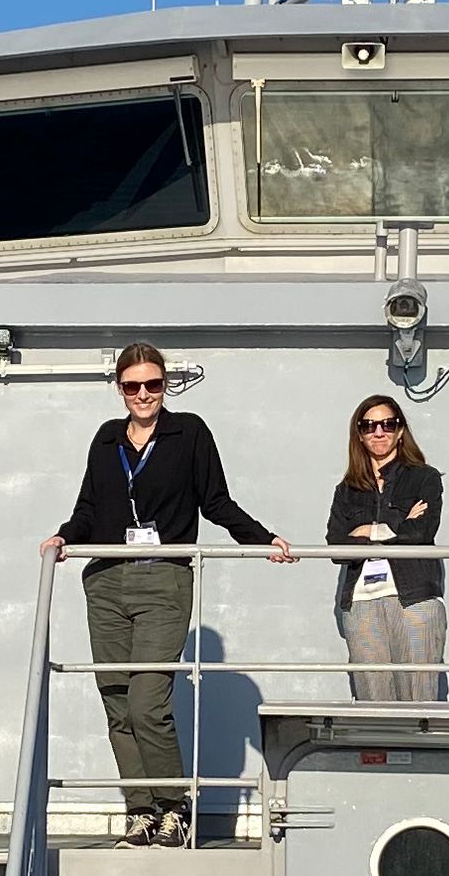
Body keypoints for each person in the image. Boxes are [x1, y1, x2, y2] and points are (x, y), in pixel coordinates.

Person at [40, 344, 290, 845]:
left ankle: (174, 806)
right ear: (119, 389)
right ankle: (140, 811)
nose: (143, 395)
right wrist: (65, 536)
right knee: (116, 704)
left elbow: (216, 500)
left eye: (153, 384)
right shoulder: (107, 438)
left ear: (165, 386)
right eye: (132, 386)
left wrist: (262, 538)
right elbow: (89, 506)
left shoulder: (188, 432)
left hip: (163, 579)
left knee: (147, 702)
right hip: (106, 579)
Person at [326, 395, 449, 703]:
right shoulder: (347, 489)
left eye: (387, 424)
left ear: (400, 430)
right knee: (373, 704)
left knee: (418, 701)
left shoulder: (424, 477)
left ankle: (418, 754)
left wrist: (367, 531)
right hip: (361, 603)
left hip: (414, 599)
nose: (378, 432)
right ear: (359, 433)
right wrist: (397, 526)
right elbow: (336, 547)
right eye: (369, 426)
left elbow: (422, 532)